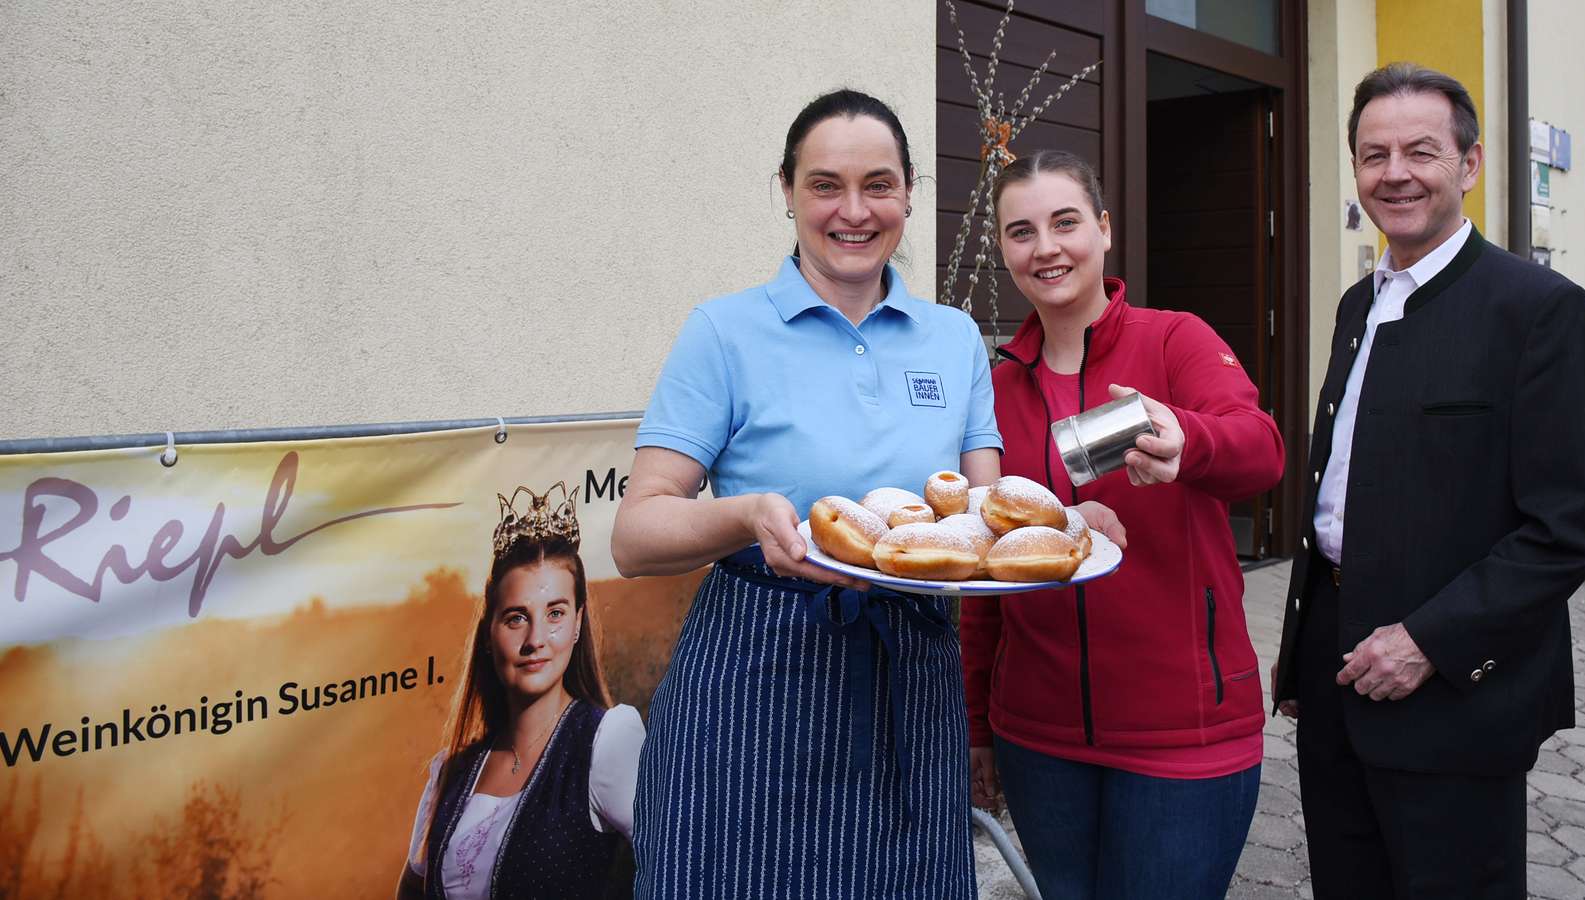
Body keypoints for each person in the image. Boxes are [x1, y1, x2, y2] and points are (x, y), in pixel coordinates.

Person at [613, 88, 1004, 899]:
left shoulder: (954, 338)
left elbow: (984, 521)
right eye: (826, 185)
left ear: (909, 193)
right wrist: (748, 515)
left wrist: (1071, 521)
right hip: (754, 678)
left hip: (910, 681)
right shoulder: (723, 332)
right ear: (787, 192)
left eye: (878, 185)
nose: (853, 211)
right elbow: (636, 536)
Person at [1269, 63, 1585, 900]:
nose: (1395, 173)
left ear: (1470, 164)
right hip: (1336, 671)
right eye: (1374, 154)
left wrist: (1428, 641)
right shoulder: (1358, 305)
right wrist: (1301, 657)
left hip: (1453, 690)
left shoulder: (1539, 309)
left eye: (1420, 151)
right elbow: (1339, 484)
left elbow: (1570, 525)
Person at [960, 149, 1286, 900]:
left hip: (1182, 734)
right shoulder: (997, 387)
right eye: (1021, 231)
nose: (1046, 248)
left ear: (1103, 230)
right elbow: (988, 568)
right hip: (1037, 738)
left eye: (1065, 222)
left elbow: (1262, 449)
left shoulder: (1174, 340)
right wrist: (978, 722)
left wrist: (1188, 439)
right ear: (1003, 248)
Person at [398, 483, 644, 900]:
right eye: (516, 618)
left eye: (555, 614)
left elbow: (683, 861)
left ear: (578, 623)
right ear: (489, 633)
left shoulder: (607, 742)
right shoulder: (451, 771)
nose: (535, 640)